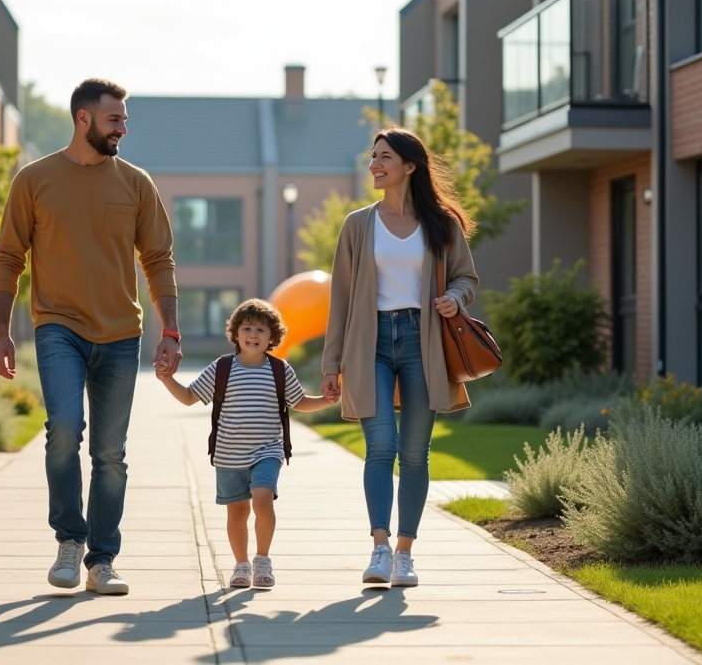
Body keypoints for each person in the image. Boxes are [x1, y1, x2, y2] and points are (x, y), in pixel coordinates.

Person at [0, 78, 183, 596]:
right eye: (114, 119)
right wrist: (1, 332)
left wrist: (170, 329)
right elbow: (9, 257)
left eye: (124, 119)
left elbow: (158, 259)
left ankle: (102, 560)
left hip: (121, 334)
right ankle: (70, 541)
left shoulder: (136, 183)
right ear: (83, 119)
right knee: (63, 430)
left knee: (111, 453)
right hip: (58, 326)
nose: (122, 128)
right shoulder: (34, 180)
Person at [321, 128, 478, 588]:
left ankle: (405, 554)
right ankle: (379, 548)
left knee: (414, 454)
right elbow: (341, 299)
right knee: (381, 447)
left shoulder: (441, 223)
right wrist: (332, 365)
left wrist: (454, 296)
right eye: (373, 157)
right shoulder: (357, 224)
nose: (374, 164)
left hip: (422, 340)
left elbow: (467, 277)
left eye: (384, 157)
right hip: (369, 342)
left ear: (410, 166)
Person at [156, 298, 337, 589]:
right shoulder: (222, 369)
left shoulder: (279, 370)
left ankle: (262, 560)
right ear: (236, 334)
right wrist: (167, 379)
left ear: (272, 338)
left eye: (261, 330)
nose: (254, 334)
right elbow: (190, 397)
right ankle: (241, 565)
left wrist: (326, 400)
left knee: (263, 498)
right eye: (248, 328)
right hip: (228, 454)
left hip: (268, 450)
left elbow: (299, 402)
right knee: (238, 512)